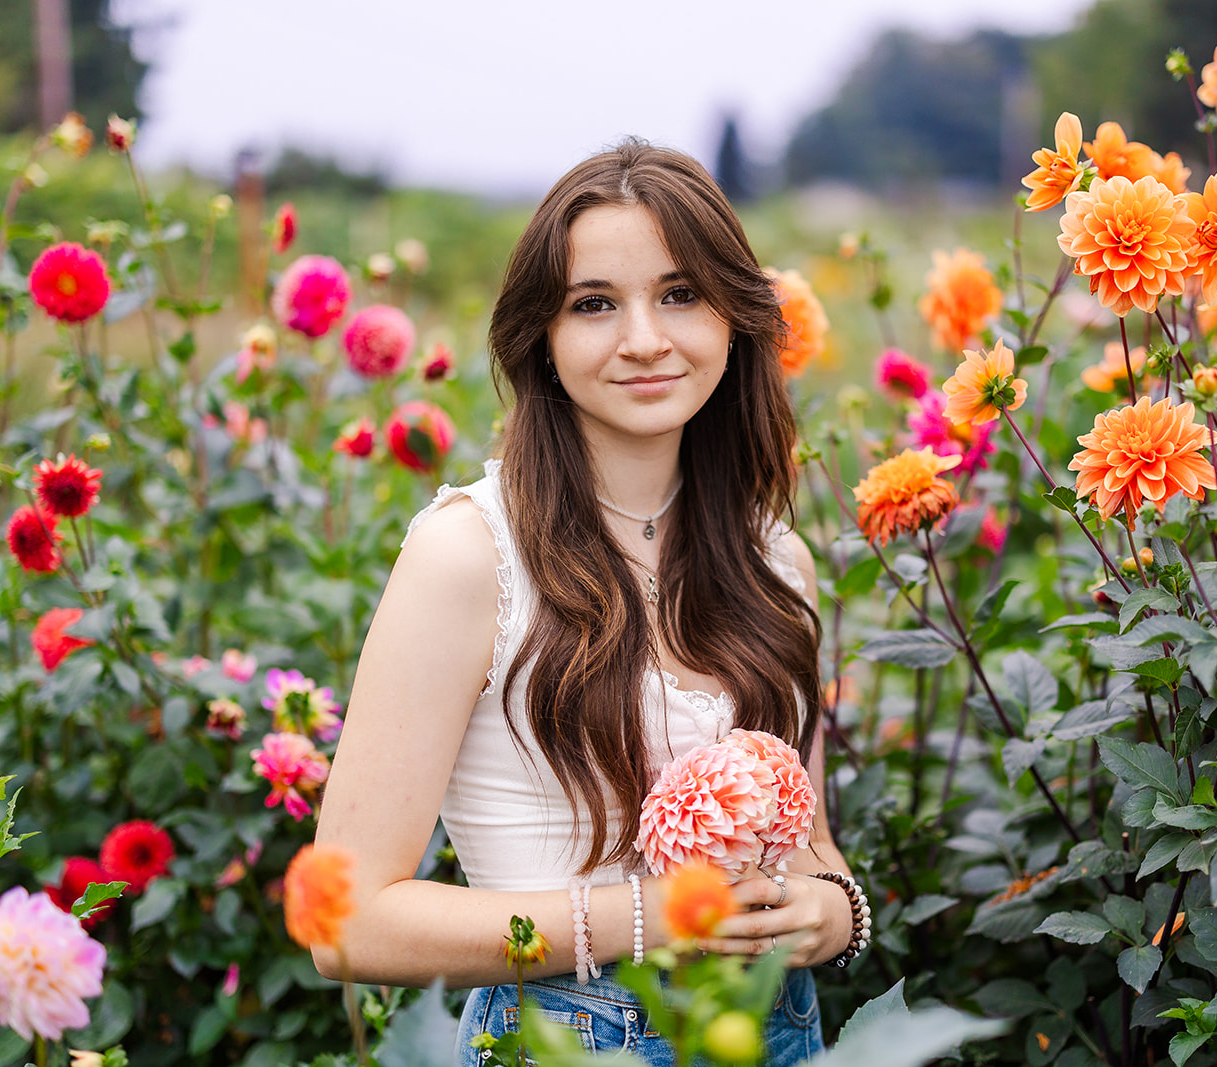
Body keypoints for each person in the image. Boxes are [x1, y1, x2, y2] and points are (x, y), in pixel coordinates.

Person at [312, 139, 864, 1066]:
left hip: (776, 1034)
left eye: (681, 293)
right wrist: (644, 918)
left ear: (736, 317)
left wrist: (829, 912)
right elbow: (347, 920)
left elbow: (811, 848)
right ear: (543, 336)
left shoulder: (776, 561)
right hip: (564, 1037)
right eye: (595, 303)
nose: (645, 337)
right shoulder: (468, 555)